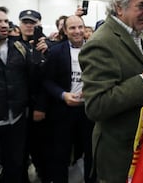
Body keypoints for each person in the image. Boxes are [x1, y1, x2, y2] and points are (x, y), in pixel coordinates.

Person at [78, 0, 143, 182]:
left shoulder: (137, 32)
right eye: (142, 6)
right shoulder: (101, 43)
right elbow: (96, 106)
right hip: (119, 150)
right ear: (119, 8)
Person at [42, 15, 95, 183]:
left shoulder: (95, 50)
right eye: (72, 28)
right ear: (65, 31)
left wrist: (92, 89)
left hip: (90, 111)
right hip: (63, 110)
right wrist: (63, 95)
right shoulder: (56, 51)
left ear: (85, 28)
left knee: (91, 153)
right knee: (60, 154)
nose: (77, 31)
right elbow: (47, 80)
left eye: (80, 27)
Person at [0, 6, 47, 183]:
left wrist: (41, 57)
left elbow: (36, 79)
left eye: (5, 21)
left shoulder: (18, 48)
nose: (3, 25)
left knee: (16, 164)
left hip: (18, 117)